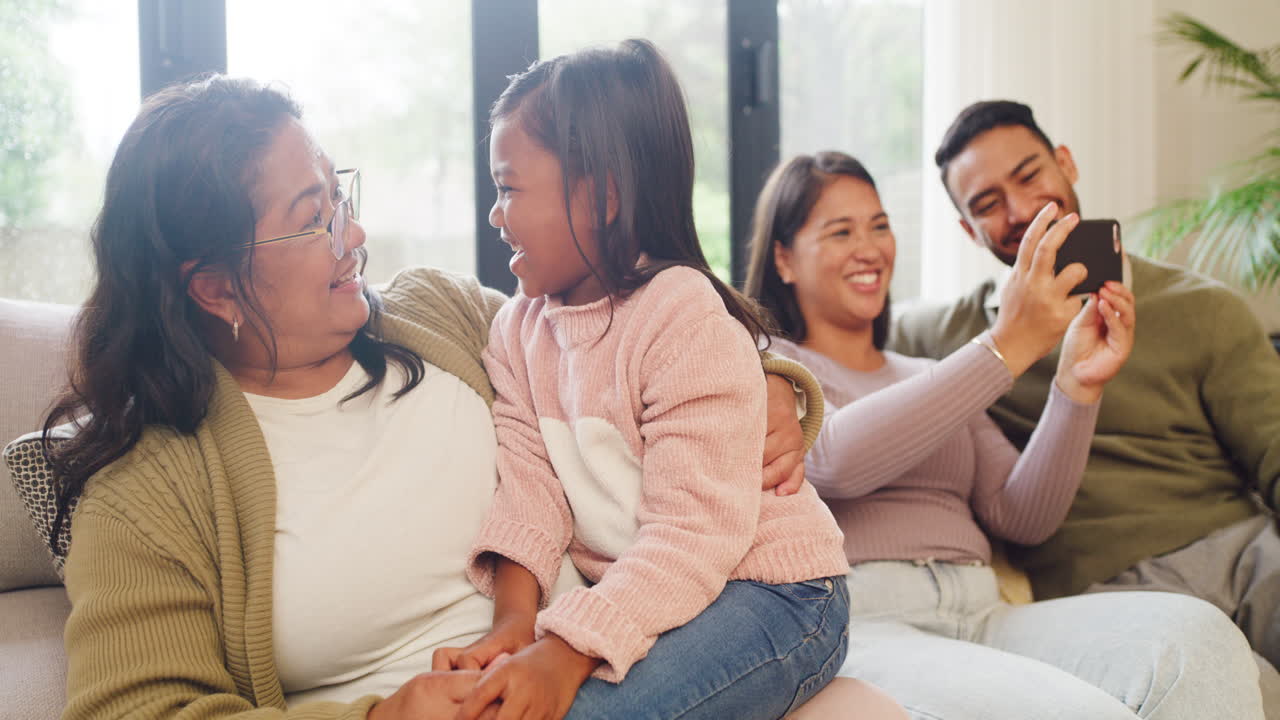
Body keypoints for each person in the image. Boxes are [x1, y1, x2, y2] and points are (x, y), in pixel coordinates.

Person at [27, 74, 895, 720]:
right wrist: (380, 718)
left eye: (341, 196)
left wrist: (771, 390)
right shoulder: (146, 480)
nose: (354, 234)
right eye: (312, 216)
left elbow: (621, 338)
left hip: (639, 640)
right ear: (213, 288)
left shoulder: (438, 315)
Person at [744, 150, 1266, 719]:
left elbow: (1019, 516)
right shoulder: (772, 366)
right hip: (866, 618)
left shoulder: (927, 372)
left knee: (1198, 639)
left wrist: (1075, 389)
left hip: (983, 610)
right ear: (784, 260)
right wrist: (1005, 345)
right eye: (840, 231)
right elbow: (834, 459)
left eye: (880, 226)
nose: (869, 248)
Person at [432, 41, 856, 720]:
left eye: (509, 188)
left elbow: (695, 531)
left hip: (778, 593)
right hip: (666, 591)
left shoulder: (678, 312)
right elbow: (529, 493)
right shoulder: (516, 332)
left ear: (600, 195)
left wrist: (566, 651)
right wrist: (514, 624)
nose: (495, 213)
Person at [888, 100, 1280, 695]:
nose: (1021, 210)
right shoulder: (951, 338)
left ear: (1066, 164)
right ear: (968, 230)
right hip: (1110, 589)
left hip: (1245, 553)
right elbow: (830, 341)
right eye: (988, 204)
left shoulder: (1200, 307)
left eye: (1029, 176)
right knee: (1256, 692)